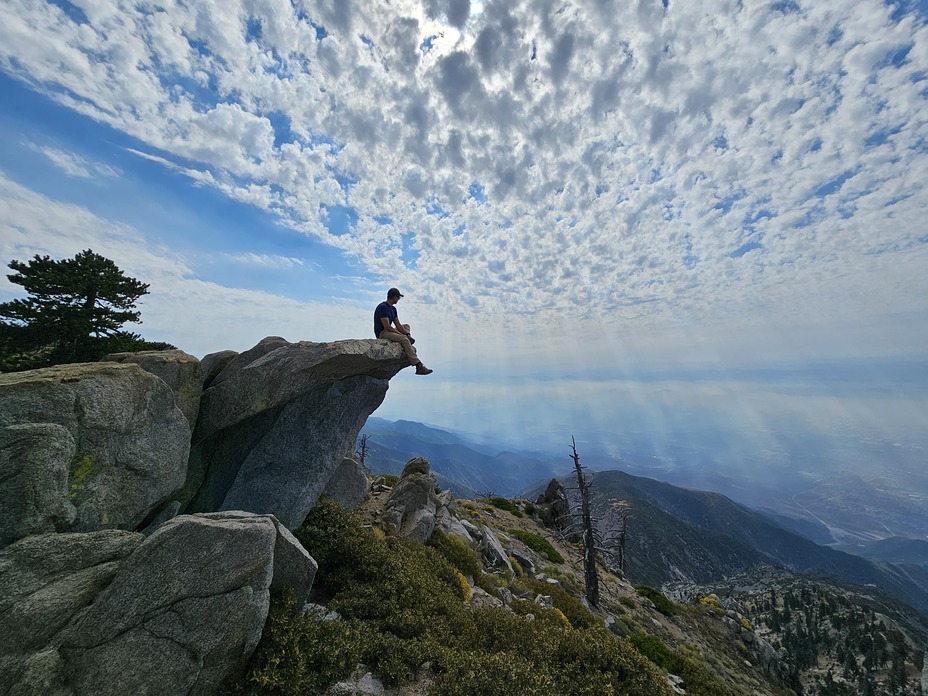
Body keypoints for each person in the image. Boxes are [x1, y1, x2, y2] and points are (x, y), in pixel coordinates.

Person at [374, 288, 433, 375]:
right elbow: (387, 326)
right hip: (383, 333)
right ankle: (418, 366)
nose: (398, 299)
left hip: (389, 330)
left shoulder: (393, 309)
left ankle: (407, 341)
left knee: (406, 326)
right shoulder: (382, 307)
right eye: (398, 297)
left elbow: (398, 324)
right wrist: (403, 336)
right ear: (394, 297)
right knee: (404, 339)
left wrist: (407, 333)